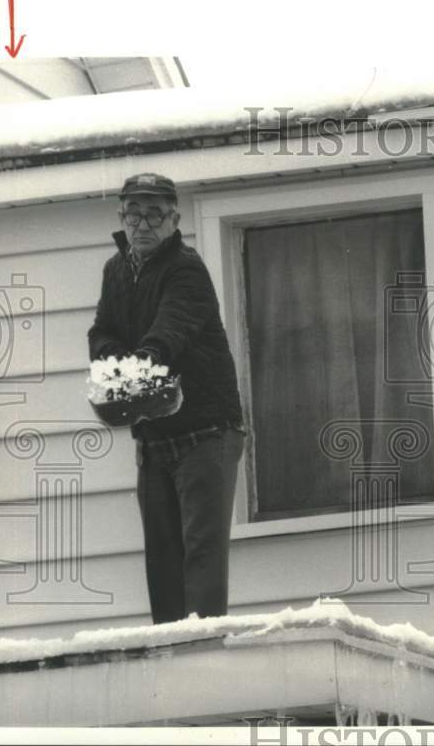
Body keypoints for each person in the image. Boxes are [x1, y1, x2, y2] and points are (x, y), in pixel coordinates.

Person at [88, 172, 246, 624]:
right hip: (154, 437)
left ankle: (206, 662)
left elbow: (169, 331)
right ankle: (171, 660)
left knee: (201, 556)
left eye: (154, 214)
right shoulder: (116, 270)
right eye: (134, 213)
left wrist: (139, 367)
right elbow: (102, 330)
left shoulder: (186, 268)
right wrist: (115, 360)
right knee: (162, 558)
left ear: (174, 220)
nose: (143, 224)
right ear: (122, 216)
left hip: (207, 434)